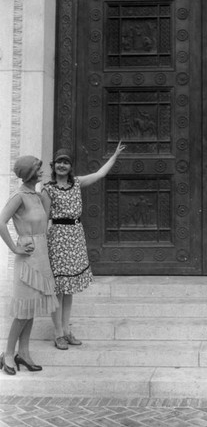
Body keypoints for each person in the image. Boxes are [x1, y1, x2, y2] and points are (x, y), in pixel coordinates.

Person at [41, 142, 125, 350]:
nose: (62, 166)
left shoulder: (77, 183)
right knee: (58, 288)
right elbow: (44, 219)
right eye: (59, 162)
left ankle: (67, 331)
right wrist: (42, 246)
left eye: (66, 163)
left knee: (69, 289)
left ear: (70, 167)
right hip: (58, 238)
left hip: (75, 236)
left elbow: (99, 174)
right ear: (53, 166)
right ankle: (57, 333)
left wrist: (114, 156)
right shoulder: (48, 189)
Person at [0, 155, 59, 375]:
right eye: (38, 168)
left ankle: (23, 353)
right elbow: (0, 222)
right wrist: (14, 248)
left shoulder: (36, 195)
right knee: (23, 309)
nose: (42, 171)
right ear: (29, 173)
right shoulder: (19, 196)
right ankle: (7, 353)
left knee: (31, 307)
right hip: (27, 255)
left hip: (41, 254)